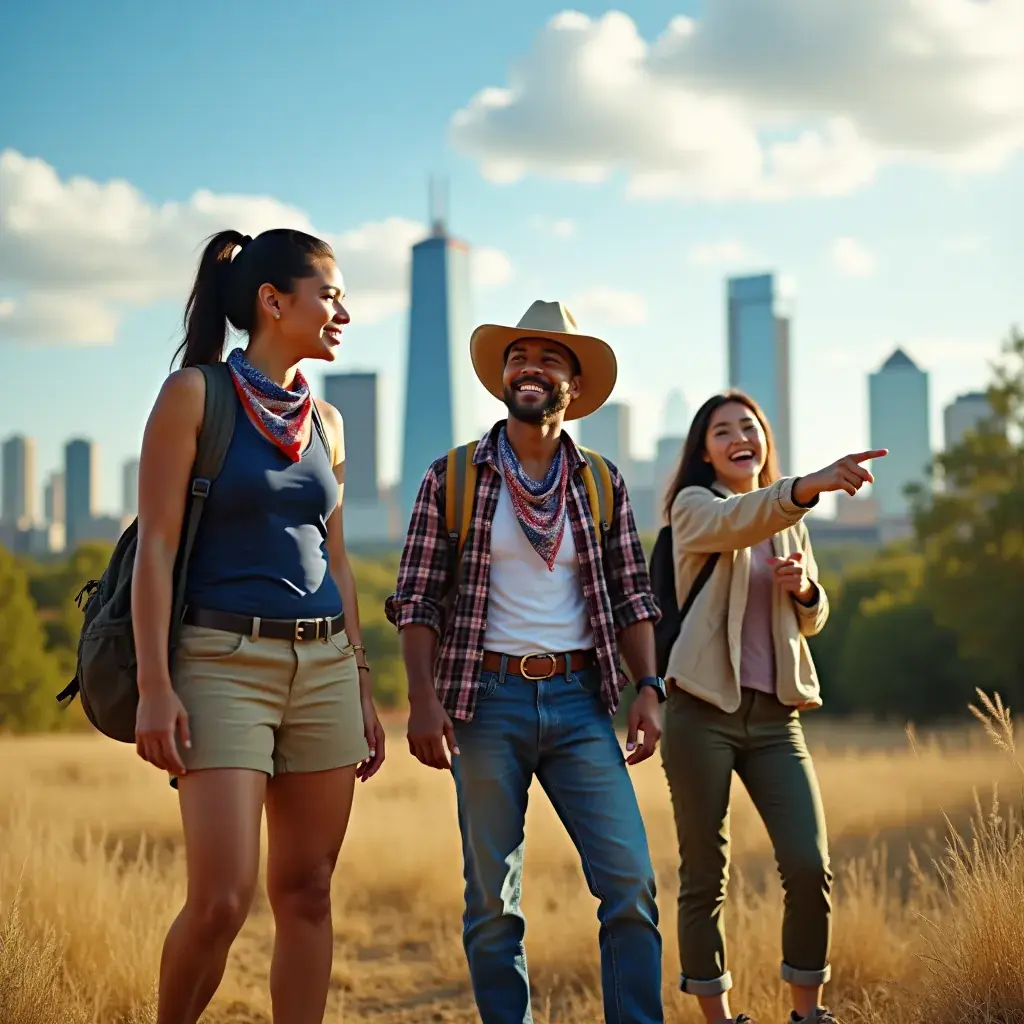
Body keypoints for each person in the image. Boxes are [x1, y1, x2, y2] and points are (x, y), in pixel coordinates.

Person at [385, 300, 667, 1024]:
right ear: (503, 378)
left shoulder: (600, 481)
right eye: (518, 357)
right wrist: (422, 700)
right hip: (484, 703)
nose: (529, 369)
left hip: (580, 701)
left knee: (631, 885)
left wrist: (648, 686)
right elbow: (416, 599)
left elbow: (633, 594)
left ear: (575, 384)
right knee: (492, 902)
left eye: (548, 359)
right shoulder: (452, 476)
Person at [132, 228, 386, 1024]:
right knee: (221, 900)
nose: (344, 312)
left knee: (308, 889)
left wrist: (361, 680)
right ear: (274, 301)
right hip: (218, 663)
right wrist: (154, 686)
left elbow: (336, 560)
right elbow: (155, 548)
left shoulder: (329, 421)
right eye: (330, 295)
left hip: (324, 666)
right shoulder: (193, 396)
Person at [659, 388, 887, 1024]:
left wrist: (807, 590)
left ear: (764, 439)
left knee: (810, 866)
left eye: (749, 426)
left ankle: (807, 1013)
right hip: (701, 712)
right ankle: (718, 1018)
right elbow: (740, 521)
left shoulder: (791, 521)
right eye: (722, 431)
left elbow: (811, 620)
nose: (740, 438)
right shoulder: (694, 507)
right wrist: (809, 485)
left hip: (775, 719)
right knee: (705, 874)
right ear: (705, 453)